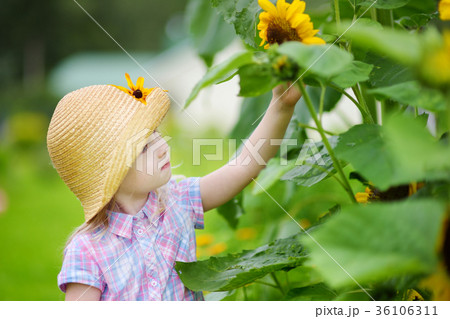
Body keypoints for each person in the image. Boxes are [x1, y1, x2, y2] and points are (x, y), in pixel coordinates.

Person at [47, 73, 301, 301]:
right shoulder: (88, 249)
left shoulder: (177, 200)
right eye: (144, 146)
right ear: (108, 173)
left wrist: (281, 107)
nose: (161, 147)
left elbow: (243, 167)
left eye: (156, 132)